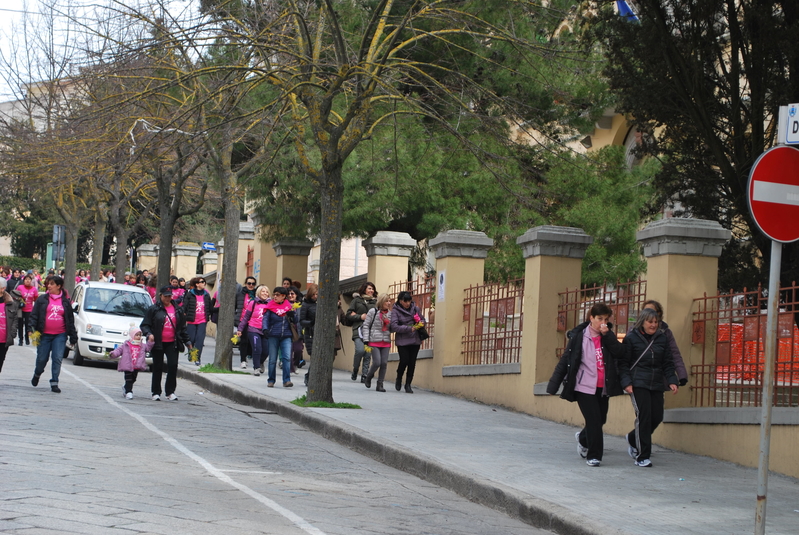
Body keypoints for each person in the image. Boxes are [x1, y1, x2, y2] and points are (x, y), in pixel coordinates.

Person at [546, 303, 623, 467]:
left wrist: (608, 335)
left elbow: (620, 353)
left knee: (600, 419)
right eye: (599, 318)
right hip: (584, 386)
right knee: (594, 420)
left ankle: (582, 439)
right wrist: (553, 385)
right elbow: (566, 361)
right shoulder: (579, 337)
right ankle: (594, 456)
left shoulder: (608, 336)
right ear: (591, 318)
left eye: (605, 319)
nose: (602, 322)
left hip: (603, 386)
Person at [617, 308, 679, 468]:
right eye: (650, 322)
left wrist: (672, 380)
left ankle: (632, 438)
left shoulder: (662, 338)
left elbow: (667, 362)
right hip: (638, 383)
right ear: (642, 322)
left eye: (655, 322)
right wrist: (627, 383)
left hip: (656, 382)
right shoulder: (631, 338)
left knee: (657, 416)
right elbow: (623, 363)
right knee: (644, 417)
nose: (653, 325)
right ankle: (642, 455)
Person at [140, 286, 191, 401]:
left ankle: (170, 392)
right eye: (165, 296)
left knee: (173, 366)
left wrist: (187, 341)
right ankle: (156, 392)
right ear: (160, 296)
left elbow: (182, 328)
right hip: (158, 342)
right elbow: (145, 325)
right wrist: (149, 334)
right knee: (157, 367)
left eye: (169, 296)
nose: (168, 298)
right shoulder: (154, 309)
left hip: (172, 342)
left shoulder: (178, 309)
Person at [29, 275, 77, 393]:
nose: (48, 286)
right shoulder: (42, 300)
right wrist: (31, 328)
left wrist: (73, 336)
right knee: (42, 359)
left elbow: (70, 320)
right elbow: (34, 315)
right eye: (48, 284)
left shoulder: (65, 302)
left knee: (57, 358)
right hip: (44, 335)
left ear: (59, 286)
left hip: (60, 335)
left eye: (51, 284)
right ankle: (37, 373)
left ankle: (54, 382)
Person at [642, 299, 689, 386]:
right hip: (639, 379)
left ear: (659, 314)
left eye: (651, 311)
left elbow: (674, 354)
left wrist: (682, 375)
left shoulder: (665, 332)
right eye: (645, 311)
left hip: (658, 379)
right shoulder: (633, 331)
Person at [389, 291, 427, 393]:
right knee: (404, 360)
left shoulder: (415, 309)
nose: (407, 303)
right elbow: (394, 326)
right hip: (402, 341)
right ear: (400, 301)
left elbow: (423, 320)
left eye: (409, 301)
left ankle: (408, 384)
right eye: (405, 301)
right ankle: (399, 377)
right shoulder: (395, 311)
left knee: (412, 362)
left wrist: (421, 324)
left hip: (415, 340)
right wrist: (408, 329)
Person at [263, 287, 296, 387]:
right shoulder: (270, 306)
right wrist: (265, 329)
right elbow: (265, 319)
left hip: (286, 336)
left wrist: (292, 315)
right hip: (273, 335)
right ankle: (271, 380)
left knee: (286, 358)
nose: (275, 297)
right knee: (272, 359)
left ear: (283, 296)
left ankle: (286, 380)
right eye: (274, 294)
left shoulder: (289, 307)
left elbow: (296, 321)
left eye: (277, 295)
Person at [109, 326, 153, 399]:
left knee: (133, 379)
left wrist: (150, 341)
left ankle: (126, 387)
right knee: (129, 379)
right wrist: (113, 354)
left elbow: (148, 348)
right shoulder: (126, 344)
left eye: (140, 335)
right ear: (132, 335)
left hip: (136, 365)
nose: (138, 337)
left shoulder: (142, 345)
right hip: (128, 365)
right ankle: (129, 392)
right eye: (136, 335)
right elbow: (119, 351)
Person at [237, 285, 271, 377]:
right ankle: (256, 368)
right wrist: (240, 329)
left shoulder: (271, 304)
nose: (265, 293)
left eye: (266, 292)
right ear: (259, 293)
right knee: (257, 348)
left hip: (266, 330)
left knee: (266, 351)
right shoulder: (253, 303)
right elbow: (246, 317)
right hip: (253, 329)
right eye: (263, 291)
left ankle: (260, 362)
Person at [346, 281, 378, 383]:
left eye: (372, 289)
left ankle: (364, 374)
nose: (371, 291)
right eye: (369, 288)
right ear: (364, 289)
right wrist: (360, 316)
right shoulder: (356, 300)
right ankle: (355, 369)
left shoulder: (375, 302)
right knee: (360, 350)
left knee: (368, 353)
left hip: (370, 330)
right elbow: (349, 315)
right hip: (358, 329)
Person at [362, 293, 393, 392]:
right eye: (386, 301)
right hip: (374, 340)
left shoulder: (390, 313)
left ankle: (380, 384)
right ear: (381, 301)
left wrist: (388, 323)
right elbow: (366, 325)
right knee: (377, 362)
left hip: (386, 341)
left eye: (389, 301)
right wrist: (366, 340)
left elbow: (392, 329)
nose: (388, 303)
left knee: (384, 363)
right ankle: (369, 376)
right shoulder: (373, 311)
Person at [183, 276, 211, 366]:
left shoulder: (206, 294)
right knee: (191, 339)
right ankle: (191, 353)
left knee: (200, 340)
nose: (204, 283)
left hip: (202, 321)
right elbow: (185, 306)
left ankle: (197, 358)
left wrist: (218, 308)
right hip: (191, 321)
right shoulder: (190, 294)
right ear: (197, 284)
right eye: (202, 282)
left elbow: (210, 307)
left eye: (204, 282)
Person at [236, 276, 257, 369]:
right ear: (245, 284)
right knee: (244, 341)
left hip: (254, 320)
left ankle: (250, 355)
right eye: (249, 283)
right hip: (243, 320)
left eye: (253, 284)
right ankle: (243, 360)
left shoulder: (257, 295)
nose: (251, 285)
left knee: (251, 341)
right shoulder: (240, 294)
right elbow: (235, 306)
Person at [0, 278, 20, 374]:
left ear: (3, 288)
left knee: (0, 360)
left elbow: (15, 319)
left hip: (4, 338)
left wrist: (12, 333)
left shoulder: (10, 303)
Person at [17, 274, 38, 346]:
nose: (27, 281)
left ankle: (27, 338)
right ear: (23, 281)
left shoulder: (34, 289)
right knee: (20, 325)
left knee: (27, 325)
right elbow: (16, 296)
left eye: (29, 279)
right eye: (26, 279)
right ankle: (20, 339)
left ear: (31, 281)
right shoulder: (20, 287)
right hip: (20, 309)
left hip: (29, 309)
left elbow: (36, 299)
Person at [287, 286, 304, 372]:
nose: (290, 295)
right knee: (288, 351)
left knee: (298, 350)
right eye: (289, 293)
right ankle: (290, 369)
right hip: (287, 330)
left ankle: (295, 363)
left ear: (296, 295)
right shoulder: (284, 304)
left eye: (292, 293)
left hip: (298, 331)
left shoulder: (301, 305)